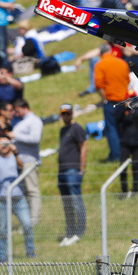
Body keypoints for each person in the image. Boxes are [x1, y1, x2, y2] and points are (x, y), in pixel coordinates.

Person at [0, 135, 35, 260]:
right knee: (3, 229)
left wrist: (16, 152)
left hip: (18, 197)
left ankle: (30, 252)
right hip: (1, 199)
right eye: (1, 144)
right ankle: (2, 256)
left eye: (6, 143)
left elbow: (21, 166)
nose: (4, 146)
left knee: (27, 224)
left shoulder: (15, 156)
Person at [94, 43, 130, 163]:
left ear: (100, 53)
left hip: (110, 101)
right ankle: (126, 152)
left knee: (112, 129)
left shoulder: (100, 65)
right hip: (124, 101)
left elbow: (99, 85)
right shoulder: (122, 63)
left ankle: (116, 156)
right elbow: (127, 80)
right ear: (110, 51)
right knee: (122, 127)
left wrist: (104, 97)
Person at [57, 104, 86, 247]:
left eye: (67, 113)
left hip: (73, 171)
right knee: (66, 204)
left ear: (72, 114)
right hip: (61, 171)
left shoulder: (77, 129)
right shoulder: (63, 130)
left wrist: (81, 169)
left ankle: (79, 232)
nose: (65, 116)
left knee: (76, 202)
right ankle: (69, 232)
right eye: (63, 114)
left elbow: (83, 147)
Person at [12, 99, 42, 227]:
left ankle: (34, 221)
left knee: (32, 190)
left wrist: (15, 136)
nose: (15, 113)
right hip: (20, 162)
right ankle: (26, 221)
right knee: (24, 192)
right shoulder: (22, 122)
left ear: (24, 107)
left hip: (29, 161)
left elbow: (35, 138)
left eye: (17, 110)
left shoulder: (34, 121)